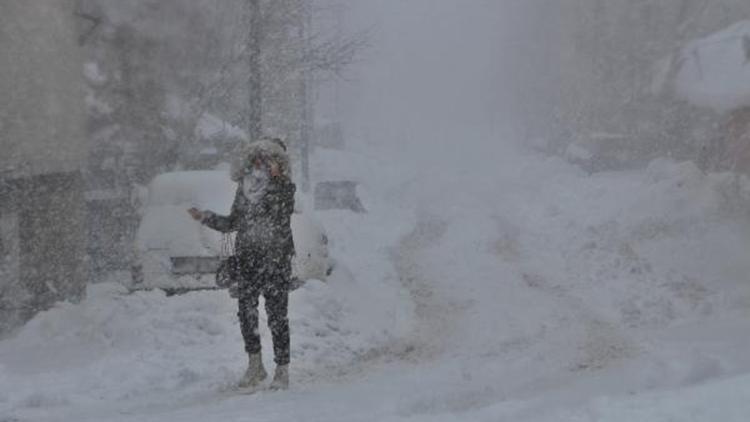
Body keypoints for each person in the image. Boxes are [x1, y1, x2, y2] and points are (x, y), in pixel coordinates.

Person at [188, 138, 296, 390]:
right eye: (257, 160)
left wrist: (278, 179)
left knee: (277, 317)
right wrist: (205, 217)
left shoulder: (284, 188)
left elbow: (282, 215)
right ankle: (255, 365)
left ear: (277, 163)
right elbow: (232, 224)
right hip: (247, 260)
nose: (260, 165)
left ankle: (282, 369)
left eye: (267, 160)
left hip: (276, 261)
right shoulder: (244, 190)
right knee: (246, 314)